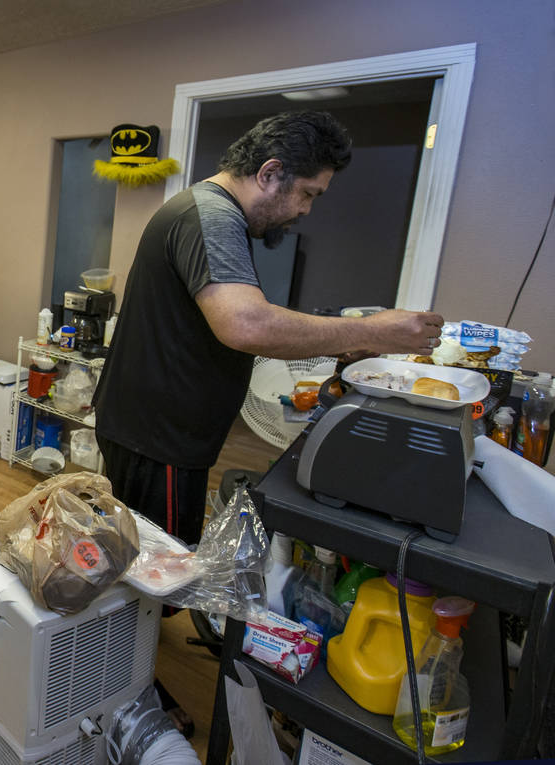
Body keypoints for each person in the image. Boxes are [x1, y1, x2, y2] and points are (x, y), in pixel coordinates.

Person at [92, 110, 444, 736]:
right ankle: (125, 691)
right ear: (272, 173)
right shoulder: (212, 215)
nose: (307, 210)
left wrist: (338, 339)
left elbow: (239, 319)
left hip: (157, 425)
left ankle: (123, 664)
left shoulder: (205, 212)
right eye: (307, 194)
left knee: (147, 559)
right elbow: (244, 323)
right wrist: (372, 330)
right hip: (158, 434)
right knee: (145, 574)